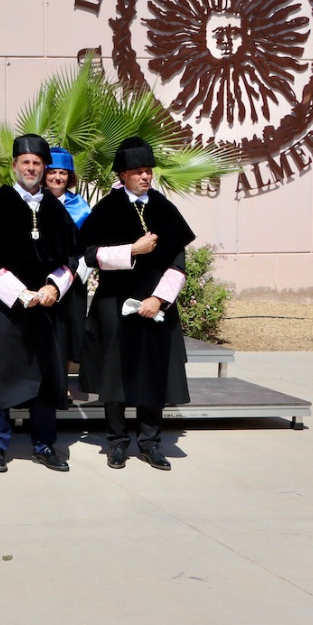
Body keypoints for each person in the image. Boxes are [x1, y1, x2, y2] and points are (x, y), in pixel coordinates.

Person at [81, 137, 194, 471]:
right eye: (138, 172)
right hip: (115, 302)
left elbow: (178, 261)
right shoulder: (107, 208)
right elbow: (90, 255)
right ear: (122, 175)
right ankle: (116, 442)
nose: (145, 177)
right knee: (114, 375)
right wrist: (132, 250)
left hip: (155, 304)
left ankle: (150, 441)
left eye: (148, 171)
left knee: (152, 372)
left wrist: (158, 299)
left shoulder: (163, 208)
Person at [0, 134, 80, 473]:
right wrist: (19, 293)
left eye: (37, 163)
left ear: (44, 168)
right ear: (14, 166)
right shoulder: (0, 201)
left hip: (46, 307)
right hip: (7, 308)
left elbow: (73, 257)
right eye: (25, 163)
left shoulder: (54, 208)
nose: (31, 168)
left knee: (46, 378)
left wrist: (53, 288)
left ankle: (44, 445)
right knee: (0, 374)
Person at [46, 146, 92, 370]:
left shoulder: (80, 207)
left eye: (62, 172)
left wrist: (77, 272)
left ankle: (61, 380)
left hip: (71, 279)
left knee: (66, 329)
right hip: (42, 277)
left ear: (69, 176)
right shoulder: (35, 202)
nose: (57, 177)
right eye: (52, 171)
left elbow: (90, 245)